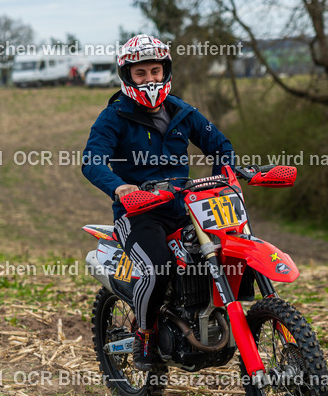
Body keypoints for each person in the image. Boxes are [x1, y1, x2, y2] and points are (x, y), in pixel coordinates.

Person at [82, 34, 236, 370]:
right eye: (141, 73)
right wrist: (120, 188)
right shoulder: (113, 117)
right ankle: (145, 336)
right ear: (127, 76)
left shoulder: (183, 112)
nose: (149, 79)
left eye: (155, 71)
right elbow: (92, 161)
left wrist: (225, 178)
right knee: (158, 266)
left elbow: (221, 146)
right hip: (138, 214)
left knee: (228, 250)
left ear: (165, 71)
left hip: (186, 209)